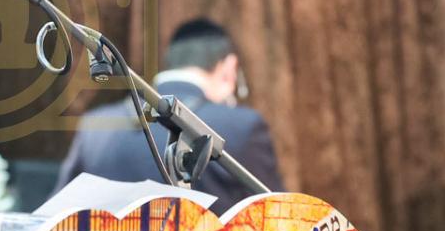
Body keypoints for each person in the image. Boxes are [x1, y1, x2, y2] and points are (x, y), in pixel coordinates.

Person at [54, 16, 284, 213]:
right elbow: (279, 220)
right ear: (229, 69)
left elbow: (55, 217)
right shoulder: (243, 125)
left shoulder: (96, 126)